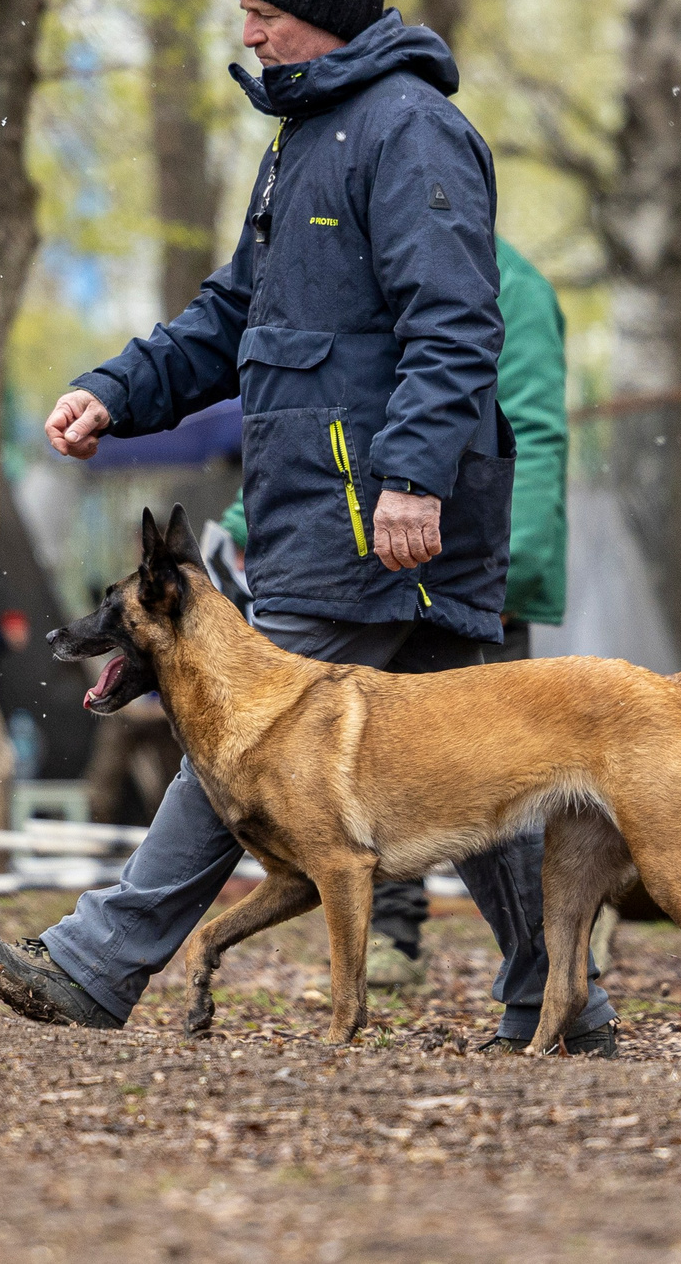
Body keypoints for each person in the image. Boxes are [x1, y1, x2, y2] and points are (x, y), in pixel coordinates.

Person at [0, 0, 617, 1054]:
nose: (250, 36)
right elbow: (233, 315)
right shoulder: (306, 137)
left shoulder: (410, 131)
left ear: (322, 13)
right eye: (245, 16)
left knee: (238, 737)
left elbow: (457, 326)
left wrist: (411, 479)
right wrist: (118, 389)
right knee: (499, 776)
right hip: (335, 516)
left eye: (265, 14)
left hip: (388, 524)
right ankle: (562, 1004)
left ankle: (97, 964)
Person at [215, 233, 570, 990]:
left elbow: (530, 428)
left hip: (474, 568)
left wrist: (513, 566)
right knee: (391, 773)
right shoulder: (373, 263)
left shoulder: (515, 283)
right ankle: (410, 939)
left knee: (498, 783)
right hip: (393, 562)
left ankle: (561, 960)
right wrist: (245, 523)